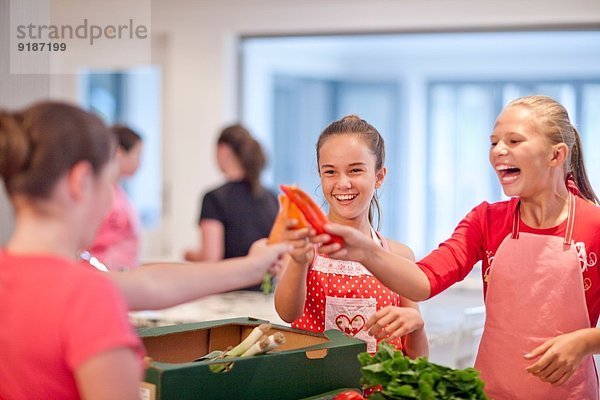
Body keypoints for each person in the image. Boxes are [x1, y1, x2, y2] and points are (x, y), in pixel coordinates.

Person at [0, 101, 291, 399]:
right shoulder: (90, 298)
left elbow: (151, 284)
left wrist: (253, 266)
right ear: (82, 181)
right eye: (109, 183)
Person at [318, 96, 600, 399]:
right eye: (494, 143)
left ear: (556, 155)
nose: (499, 151)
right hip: (491, 390)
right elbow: (422, 281)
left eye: (514, 141)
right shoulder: (486, 220)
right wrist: (365, 250)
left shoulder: (594, 226)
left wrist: (585, 342)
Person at [274, 115, 428, 358]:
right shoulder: (304, 248)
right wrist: (298, 261)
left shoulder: (400, 256)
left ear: (379, 177)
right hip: (319, 392)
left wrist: (417, 325)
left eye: (355, 170)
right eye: (330, 172)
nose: (343, 183)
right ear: (320, 175)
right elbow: (287, 314)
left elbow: (418, 361)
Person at [184, 124, 279, 291]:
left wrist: (190, 255)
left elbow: (211, 259)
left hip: (229, 293)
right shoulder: (271, 197)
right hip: (266, 294)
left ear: (223, 151)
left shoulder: (213, 198)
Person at [88, 124, 143, 271]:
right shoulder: (102, 194)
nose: (140, 162)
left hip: (119, 273)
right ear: (119, 153)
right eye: (137, 154)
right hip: (104, 273)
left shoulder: (118, 193)